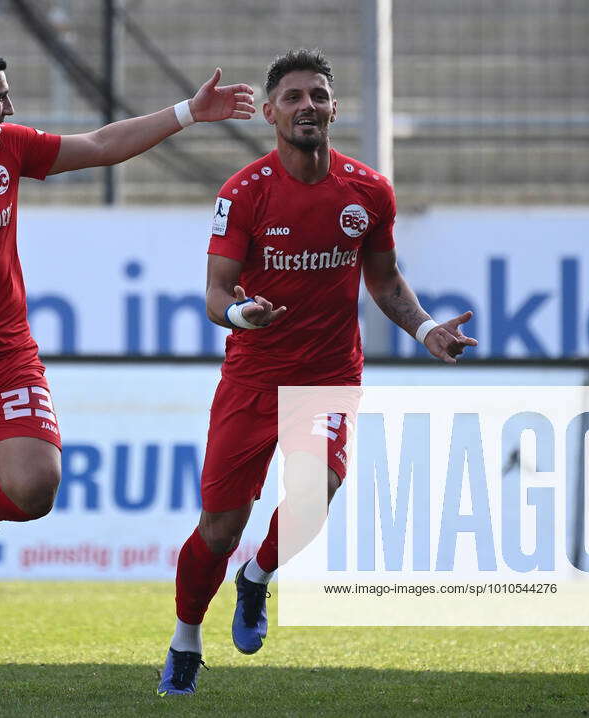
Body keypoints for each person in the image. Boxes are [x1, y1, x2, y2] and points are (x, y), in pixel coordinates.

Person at [0, 44, 254, 692]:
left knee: (36, 486)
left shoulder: (6, 149)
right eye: (0, 97)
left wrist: (187, 111)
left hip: (2, 352)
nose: (10, 107)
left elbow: (99, 144)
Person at [156, 48, 476, 696]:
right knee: (218, 530)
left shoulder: (368, 191)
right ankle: (186, 637)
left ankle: (258, 578)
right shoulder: (243, 194)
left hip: (328, 375)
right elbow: (216, 292)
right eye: (294, 97)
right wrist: (241, 315)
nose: (308, 106)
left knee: (316, 491)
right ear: (271, 112)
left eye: (319, 96)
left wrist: (423, 328)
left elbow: (383, 280)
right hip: (252, 377)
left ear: (334, 109)